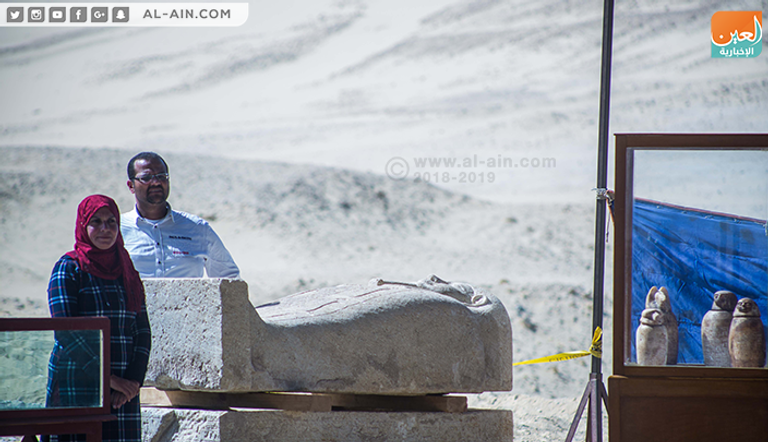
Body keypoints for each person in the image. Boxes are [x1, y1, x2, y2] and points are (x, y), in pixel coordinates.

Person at [46, 195, 151, 442]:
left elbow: (142, 332)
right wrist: (109, 380)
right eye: (96, 222)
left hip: (122, 394)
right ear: (84, 226)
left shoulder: (127, 272)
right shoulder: (69, 269)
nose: (105, 229)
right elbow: (67, 333)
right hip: (78, 385)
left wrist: (132, 382)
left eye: (111, 221)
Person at [120, 152, 240, 278]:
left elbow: (229, 277)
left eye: (162, 176)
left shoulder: (197, 227)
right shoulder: (117, 229)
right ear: (131, 186)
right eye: (146, 178)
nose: (156, 182)